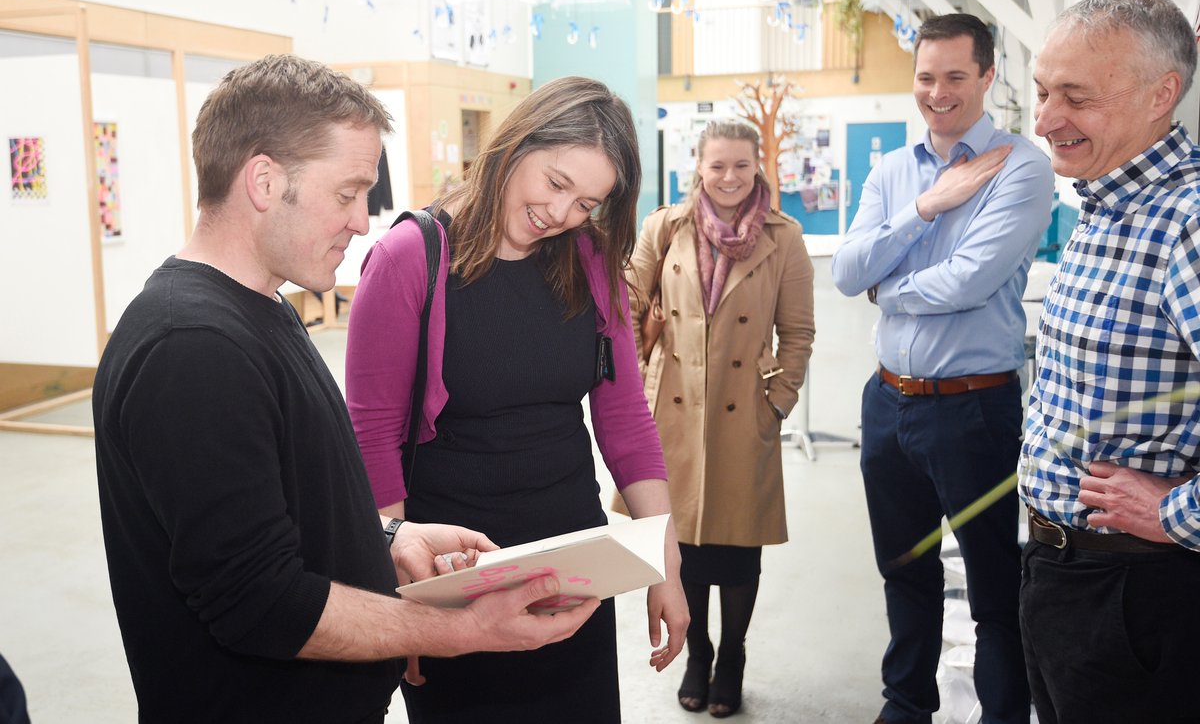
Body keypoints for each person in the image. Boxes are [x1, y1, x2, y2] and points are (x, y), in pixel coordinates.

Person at [92, 55, 599, 724]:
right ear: (265, 181)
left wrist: (386, 535)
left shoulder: (257, 308)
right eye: (347, 194)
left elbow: (279, 509)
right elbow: (260, 601)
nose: (363, 220)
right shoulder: (193, 348)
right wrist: (462, 629)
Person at [345, 75, 689, 723]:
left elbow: (625, 421)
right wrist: (398, 597)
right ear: (516, 143)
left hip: (574, 573)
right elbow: (372, 437)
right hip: (455, 576)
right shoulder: (410, 258)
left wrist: (665, 559)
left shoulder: (591, 262)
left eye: (586, 202)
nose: (560, 213)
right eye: (555, 183)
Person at [831, 13, 1054, 724]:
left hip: (973, 407)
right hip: (886, 401)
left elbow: (968, 281)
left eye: (956, 76)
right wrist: (926, 207)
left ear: (987, 75)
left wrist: (887, 289)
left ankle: (1003, 713)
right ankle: (905, 704)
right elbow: (846, 271)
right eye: (926, 77)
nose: (938, 92)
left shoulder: (1022, 166)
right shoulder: (894, 172)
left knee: (993, 585)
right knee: (904, 569)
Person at [1019, 0, 1200, 723]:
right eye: (1042, 91)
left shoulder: (1186, 225)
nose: (1045, 119)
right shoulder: (1106, 205)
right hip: (1065, 578)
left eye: (1077, 97)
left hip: (1136, 596)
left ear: (1162, 94)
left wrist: (1181, 512)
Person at [621, 119, 814, 717]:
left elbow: (798, 332)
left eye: (741, 165)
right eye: (717, 166)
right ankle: (698, 653)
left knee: (737, 550)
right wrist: (637, 382)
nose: (730, 177)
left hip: (743, 412)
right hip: (672, 411)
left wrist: (776, 402)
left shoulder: (784, 238)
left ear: (758, 167)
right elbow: (627, 302)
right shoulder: (665, 227)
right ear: (698, 168)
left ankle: (732, 657)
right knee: (683, 549)